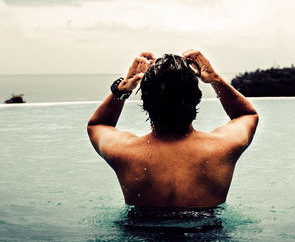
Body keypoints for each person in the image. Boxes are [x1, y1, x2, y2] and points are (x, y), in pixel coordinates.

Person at [87, 50, 258, 208]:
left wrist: (123, 88)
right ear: (197, 99)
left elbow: (98, 125)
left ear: (145, 103)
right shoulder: (221, 148)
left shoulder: (125, 152)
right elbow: (247, 115)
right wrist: (214, 79)